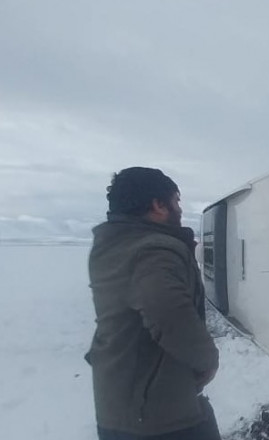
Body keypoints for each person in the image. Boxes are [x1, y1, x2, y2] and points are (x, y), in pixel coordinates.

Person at [86, 167, 220, 440]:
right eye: (176, 201)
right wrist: (207, 359)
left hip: (124, 405)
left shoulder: (114, 244)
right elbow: (168, 312)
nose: (180, 209)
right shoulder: (152, 249)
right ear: (158, 205)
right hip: (158, 415)